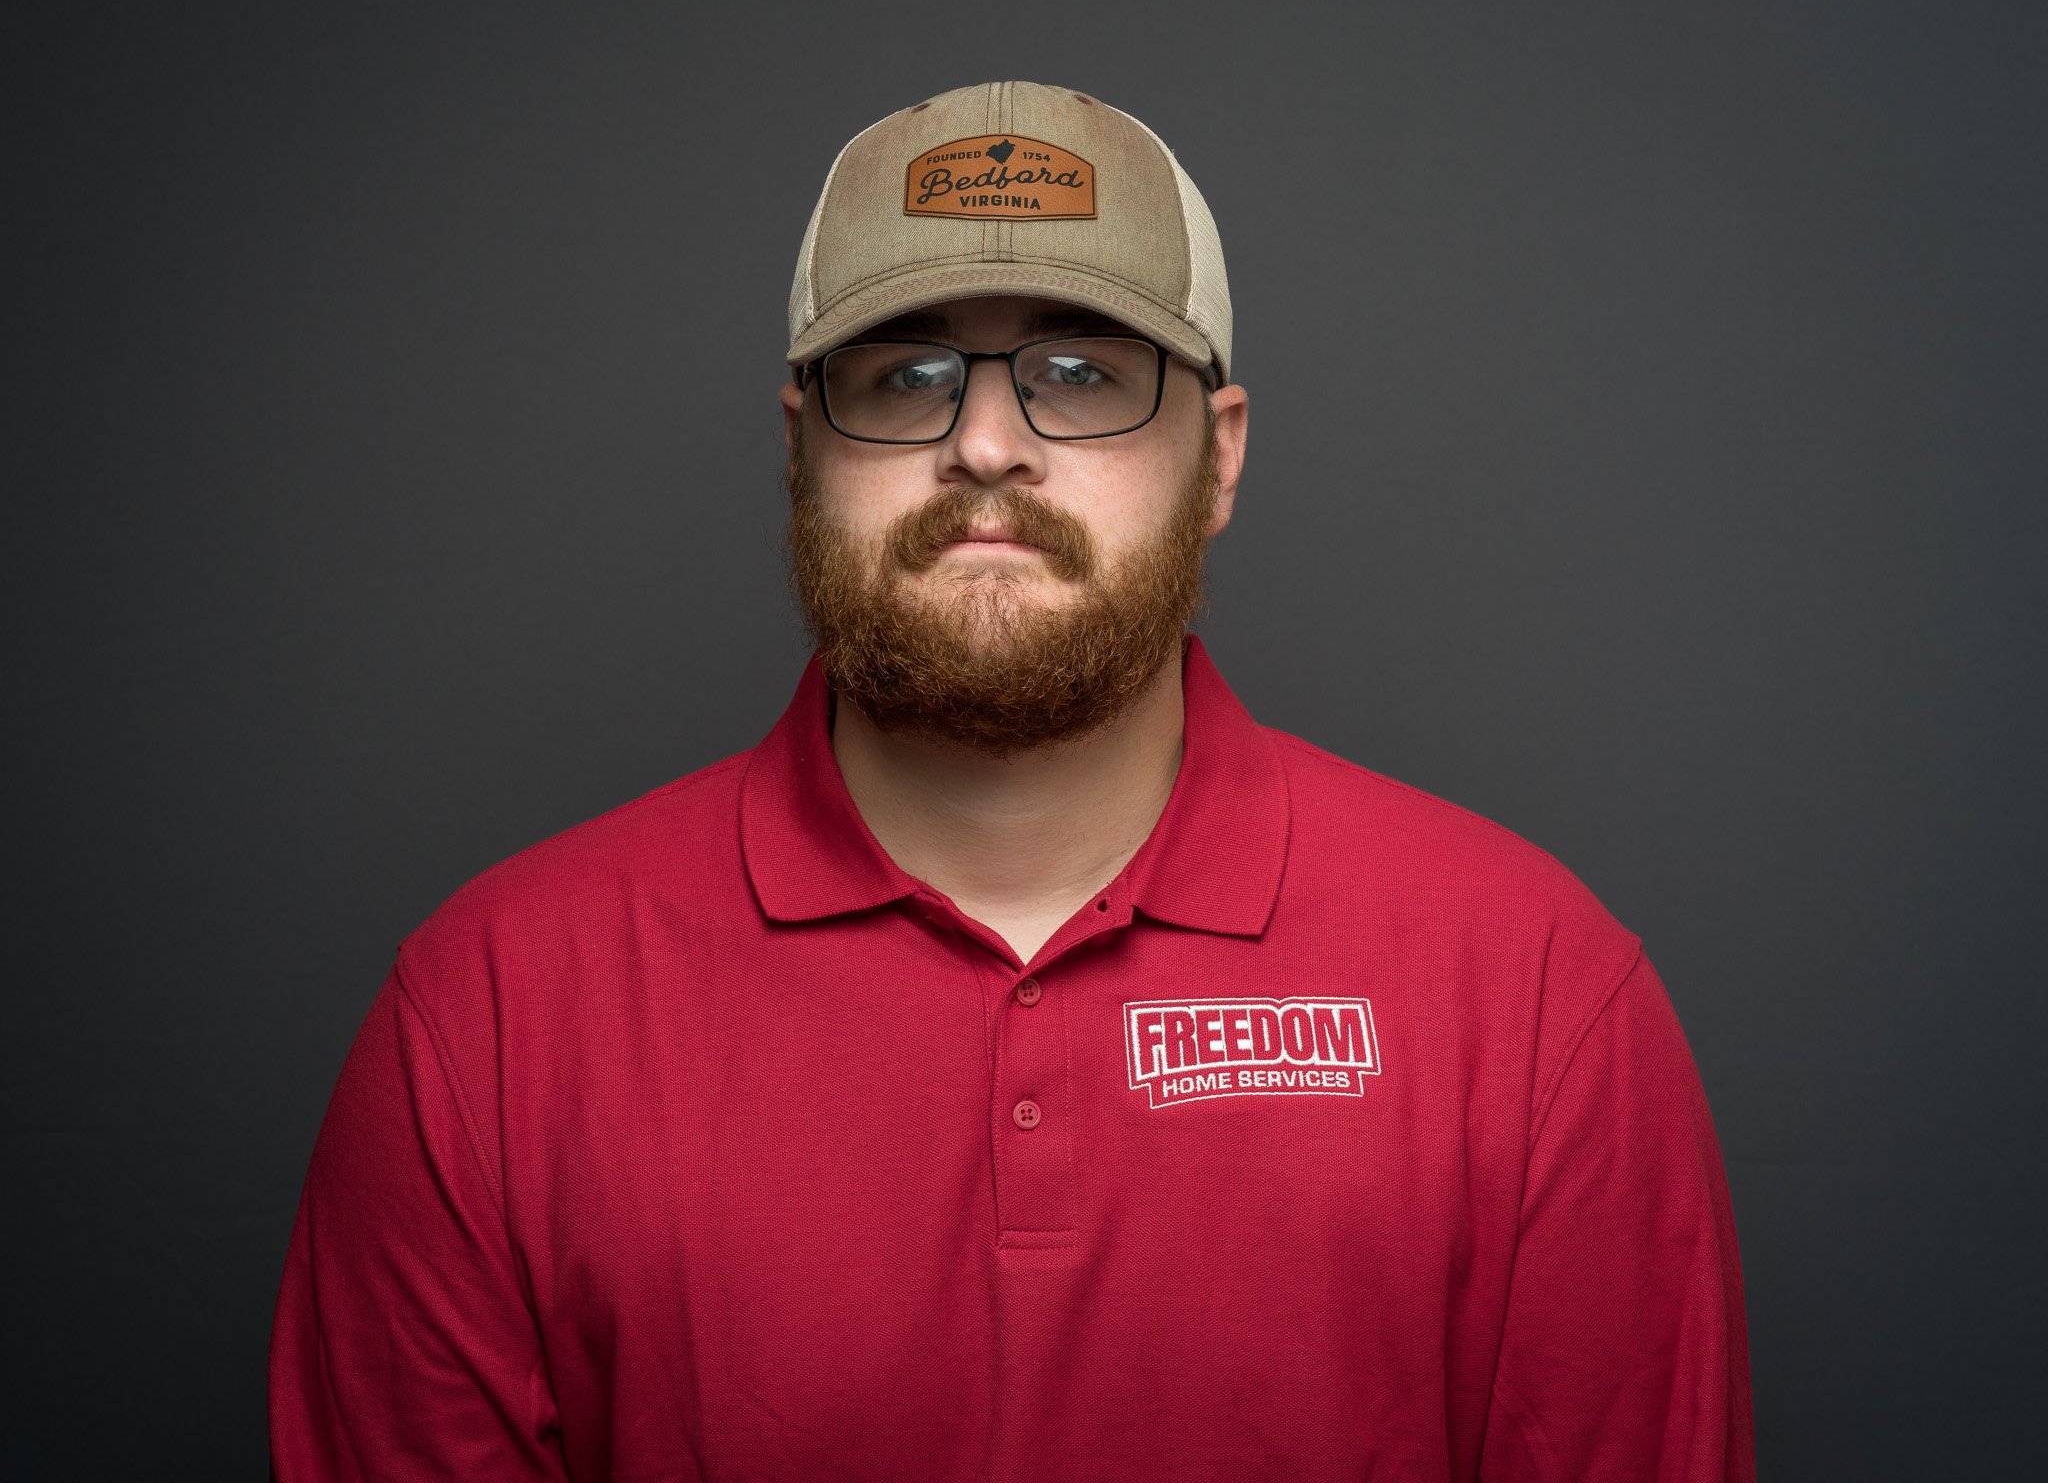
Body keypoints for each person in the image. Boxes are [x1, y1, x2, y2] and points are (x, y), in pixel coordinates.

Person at [271, 80, 1755, 1482]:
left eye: (1082, 372)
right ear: (802, 449)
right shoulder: (489, 1019)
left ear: (1219, 455)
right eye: (907, 373)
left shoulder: (1541, 998)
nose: (986, 444)